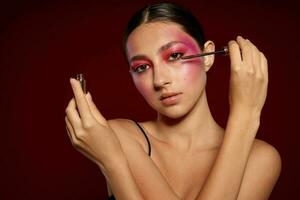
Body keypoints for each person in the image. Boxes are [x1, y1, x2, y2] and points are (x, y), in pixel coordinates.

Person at [65, 2, 281, 200]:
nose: (159, 80)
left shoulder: (261, 159)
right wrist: (113, 162)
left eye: (175, 56)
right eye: (142, 67)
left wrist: (245, 116)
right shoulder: (119, 138)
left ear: (208, 56)